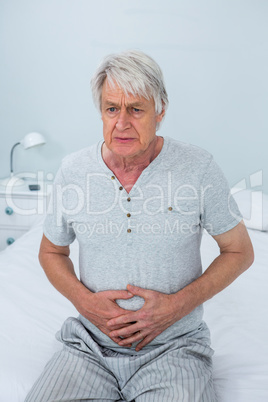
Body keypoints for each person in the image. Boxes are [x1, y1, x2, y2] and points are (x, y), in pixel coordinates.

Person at [25, 50, 254, 402]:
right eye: (112, 108)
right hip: (88, 347)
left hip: (174, 348)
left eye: (136, 109)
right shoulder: (73, 171)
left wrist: (177, 306)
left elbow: (240, 250)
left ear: (160, 112)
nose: (121, 123)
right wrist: (85, 303)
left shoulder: (198, 168)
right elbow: (51, 251)